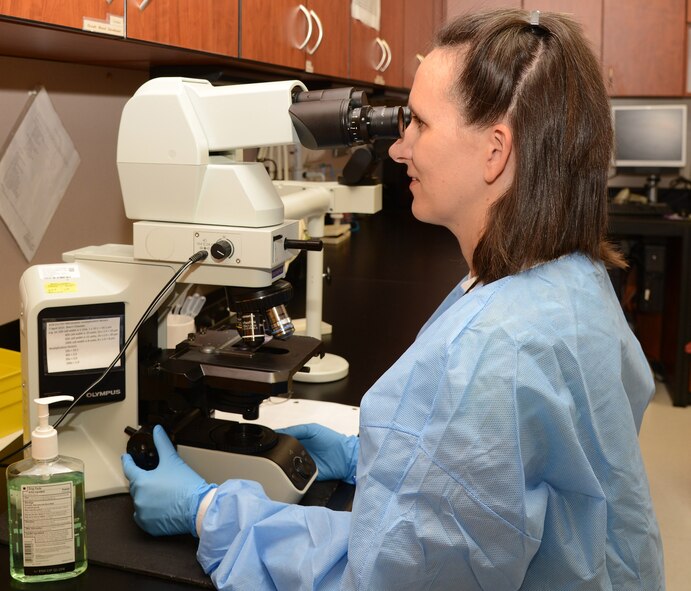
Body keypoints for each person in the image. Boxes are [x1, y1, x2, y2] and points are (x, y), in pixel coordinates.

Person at [122, 8, 665, 590]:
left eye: (421, 125)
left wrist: (210, 512)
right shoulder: (573, 283)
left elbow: (379, 580)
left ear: (495, 151)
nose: (400, 149)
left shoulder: (487, 351)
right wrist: (373, 457)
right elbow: (518, 472)